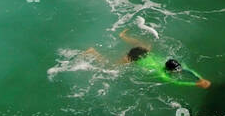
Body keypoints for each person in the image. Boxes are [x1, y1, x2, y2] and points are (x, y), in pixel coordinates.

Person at [82, 28, 211, 88]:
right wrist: (194, 84)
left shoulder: (173, 63)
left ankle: (122, 36)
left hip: (144, 53)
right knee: (112, 67)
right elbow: (175, 82)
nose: (178, 70)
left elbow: (189, 70)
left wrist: (201, 78)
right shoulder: (161, 72)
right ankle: (93, 52)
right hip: (135, 58)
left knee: (144, 46)